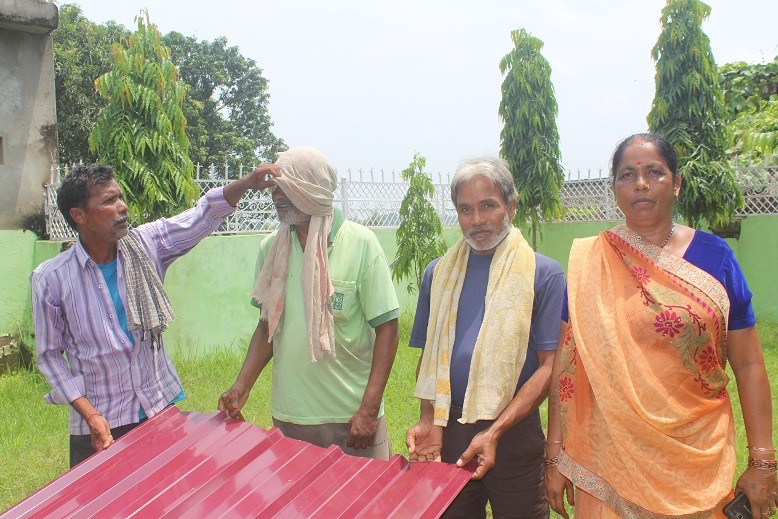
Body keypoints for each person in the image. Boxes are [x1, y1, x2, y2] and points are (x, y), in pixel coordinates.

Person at [545, 133, 778, 518]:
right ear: (614, 187)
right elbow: (567, 366)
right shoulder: (592, 264)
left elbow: (750, 364)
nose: (640, 183)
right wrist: (554, 453)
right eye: (626, 174)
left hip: (696, 459)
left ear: (677, 183)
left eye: (654, 172)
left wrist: (764, 461)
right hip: (611, 460)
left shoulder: (714, 258)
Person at [31, 163, 272, 468]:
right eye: (108, 201)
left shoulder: (146, 245)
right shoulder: (51, 279)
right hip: (100, 424)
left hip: (159, 410)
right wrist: (89, 414)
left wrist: (247, 182)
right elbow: (50, 356)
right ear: (79, 215)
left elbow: (201, 215)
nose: (122, 207)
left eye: (120, 197)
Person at [406, 157, 566, 518]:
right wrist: (429, 419)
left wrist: (495, 431)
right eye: (465, 209)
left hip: (513, 432)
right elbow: (431, 355)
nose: (476, 220)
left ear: (511, 206)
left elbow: (549, 367)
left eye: (488, 206)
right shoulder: (438, 273)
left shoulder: (543, 274)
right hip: (450, 429)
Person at [219, 146, 400, 460]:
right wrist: (242, 385)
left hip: (350, 418)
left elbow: (388, 328)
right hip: (291, 418)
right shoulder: (272, 249)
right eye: (274, 188)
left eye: (285, 187)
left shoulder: (360, 244)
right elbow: (267, 327)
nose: (275, 196)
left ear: (313, 190)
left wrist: (368, 410)